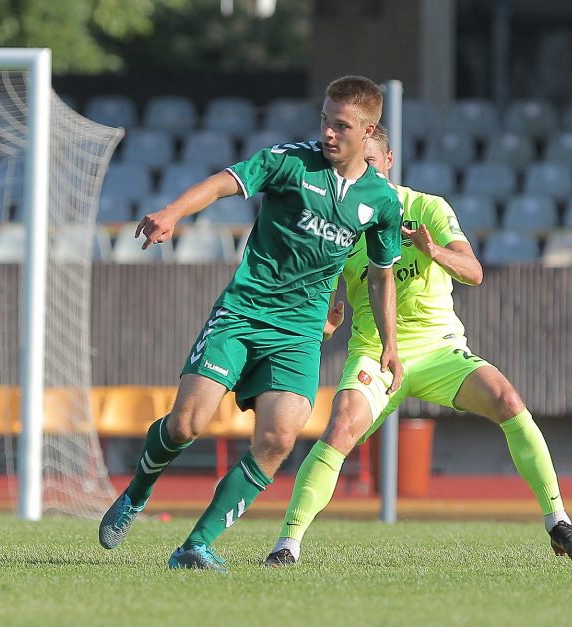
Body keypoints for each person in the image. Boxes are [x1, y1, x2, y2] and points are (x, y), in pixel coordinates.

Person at [98, 75, 405, 572]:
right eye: (325, 120)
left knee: (279, 438)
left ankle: (196, 545)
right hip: (243, 313)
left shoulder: (382, 202)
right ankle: (137, 492)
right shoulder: (289, 161)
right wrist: (173, 212)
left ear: (368, 131)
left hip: (299, 334)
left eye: (341, 126)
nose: (328, 132)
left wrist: (390, 342)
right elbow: (224, 183)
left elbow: (381, 276)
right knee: (186, 425)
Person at [264, 125, 572, 567]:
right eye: (354, 166)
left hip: (439, 349)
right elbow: (323, 292)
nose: (364, 173)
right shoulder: (341, 221)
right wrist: (324, 322)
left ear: (388, 162)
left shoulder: (428, 208)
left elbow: (474, 272)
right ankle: (287, 544)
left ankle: (558, 521)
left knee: (508, 399)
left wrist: (433, 250)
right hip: (376, 352)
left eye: (371, 164)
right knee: (341, 428)